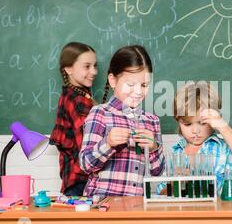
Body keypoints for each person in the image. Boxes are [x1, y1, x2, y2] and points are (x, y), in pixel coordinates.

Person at [79, 45, 165, 197]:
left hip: (136, 207)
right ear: (112, 80)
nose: (138, 91)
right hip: (103, 205)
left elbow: (157, 172)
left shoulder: (151, 121)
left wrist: (153, 148)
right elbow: (86, 164)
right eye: (131, 84)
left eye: (144, 85)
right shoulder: (100, 113)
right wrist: (108, 143)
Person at [156, 81, 232, 195]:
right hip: (182, 212)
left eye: (202, 123)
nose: (195, 130)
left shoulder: (223, 148)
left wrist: (223, 127)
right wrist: (175, 184)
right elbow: (160, 194)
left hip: (216, 212)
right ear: (178, 120)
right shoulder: (175, 153)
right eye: (188, 124)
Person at [50, 42, 98, 196]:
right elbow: (87, 147)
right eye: (87, 66)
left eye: (95, 66)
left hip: (74, 181)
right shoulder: (77, 101)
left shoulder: (70, 95)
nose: (94, 71)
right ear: (68, 68)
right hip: (82, 182)